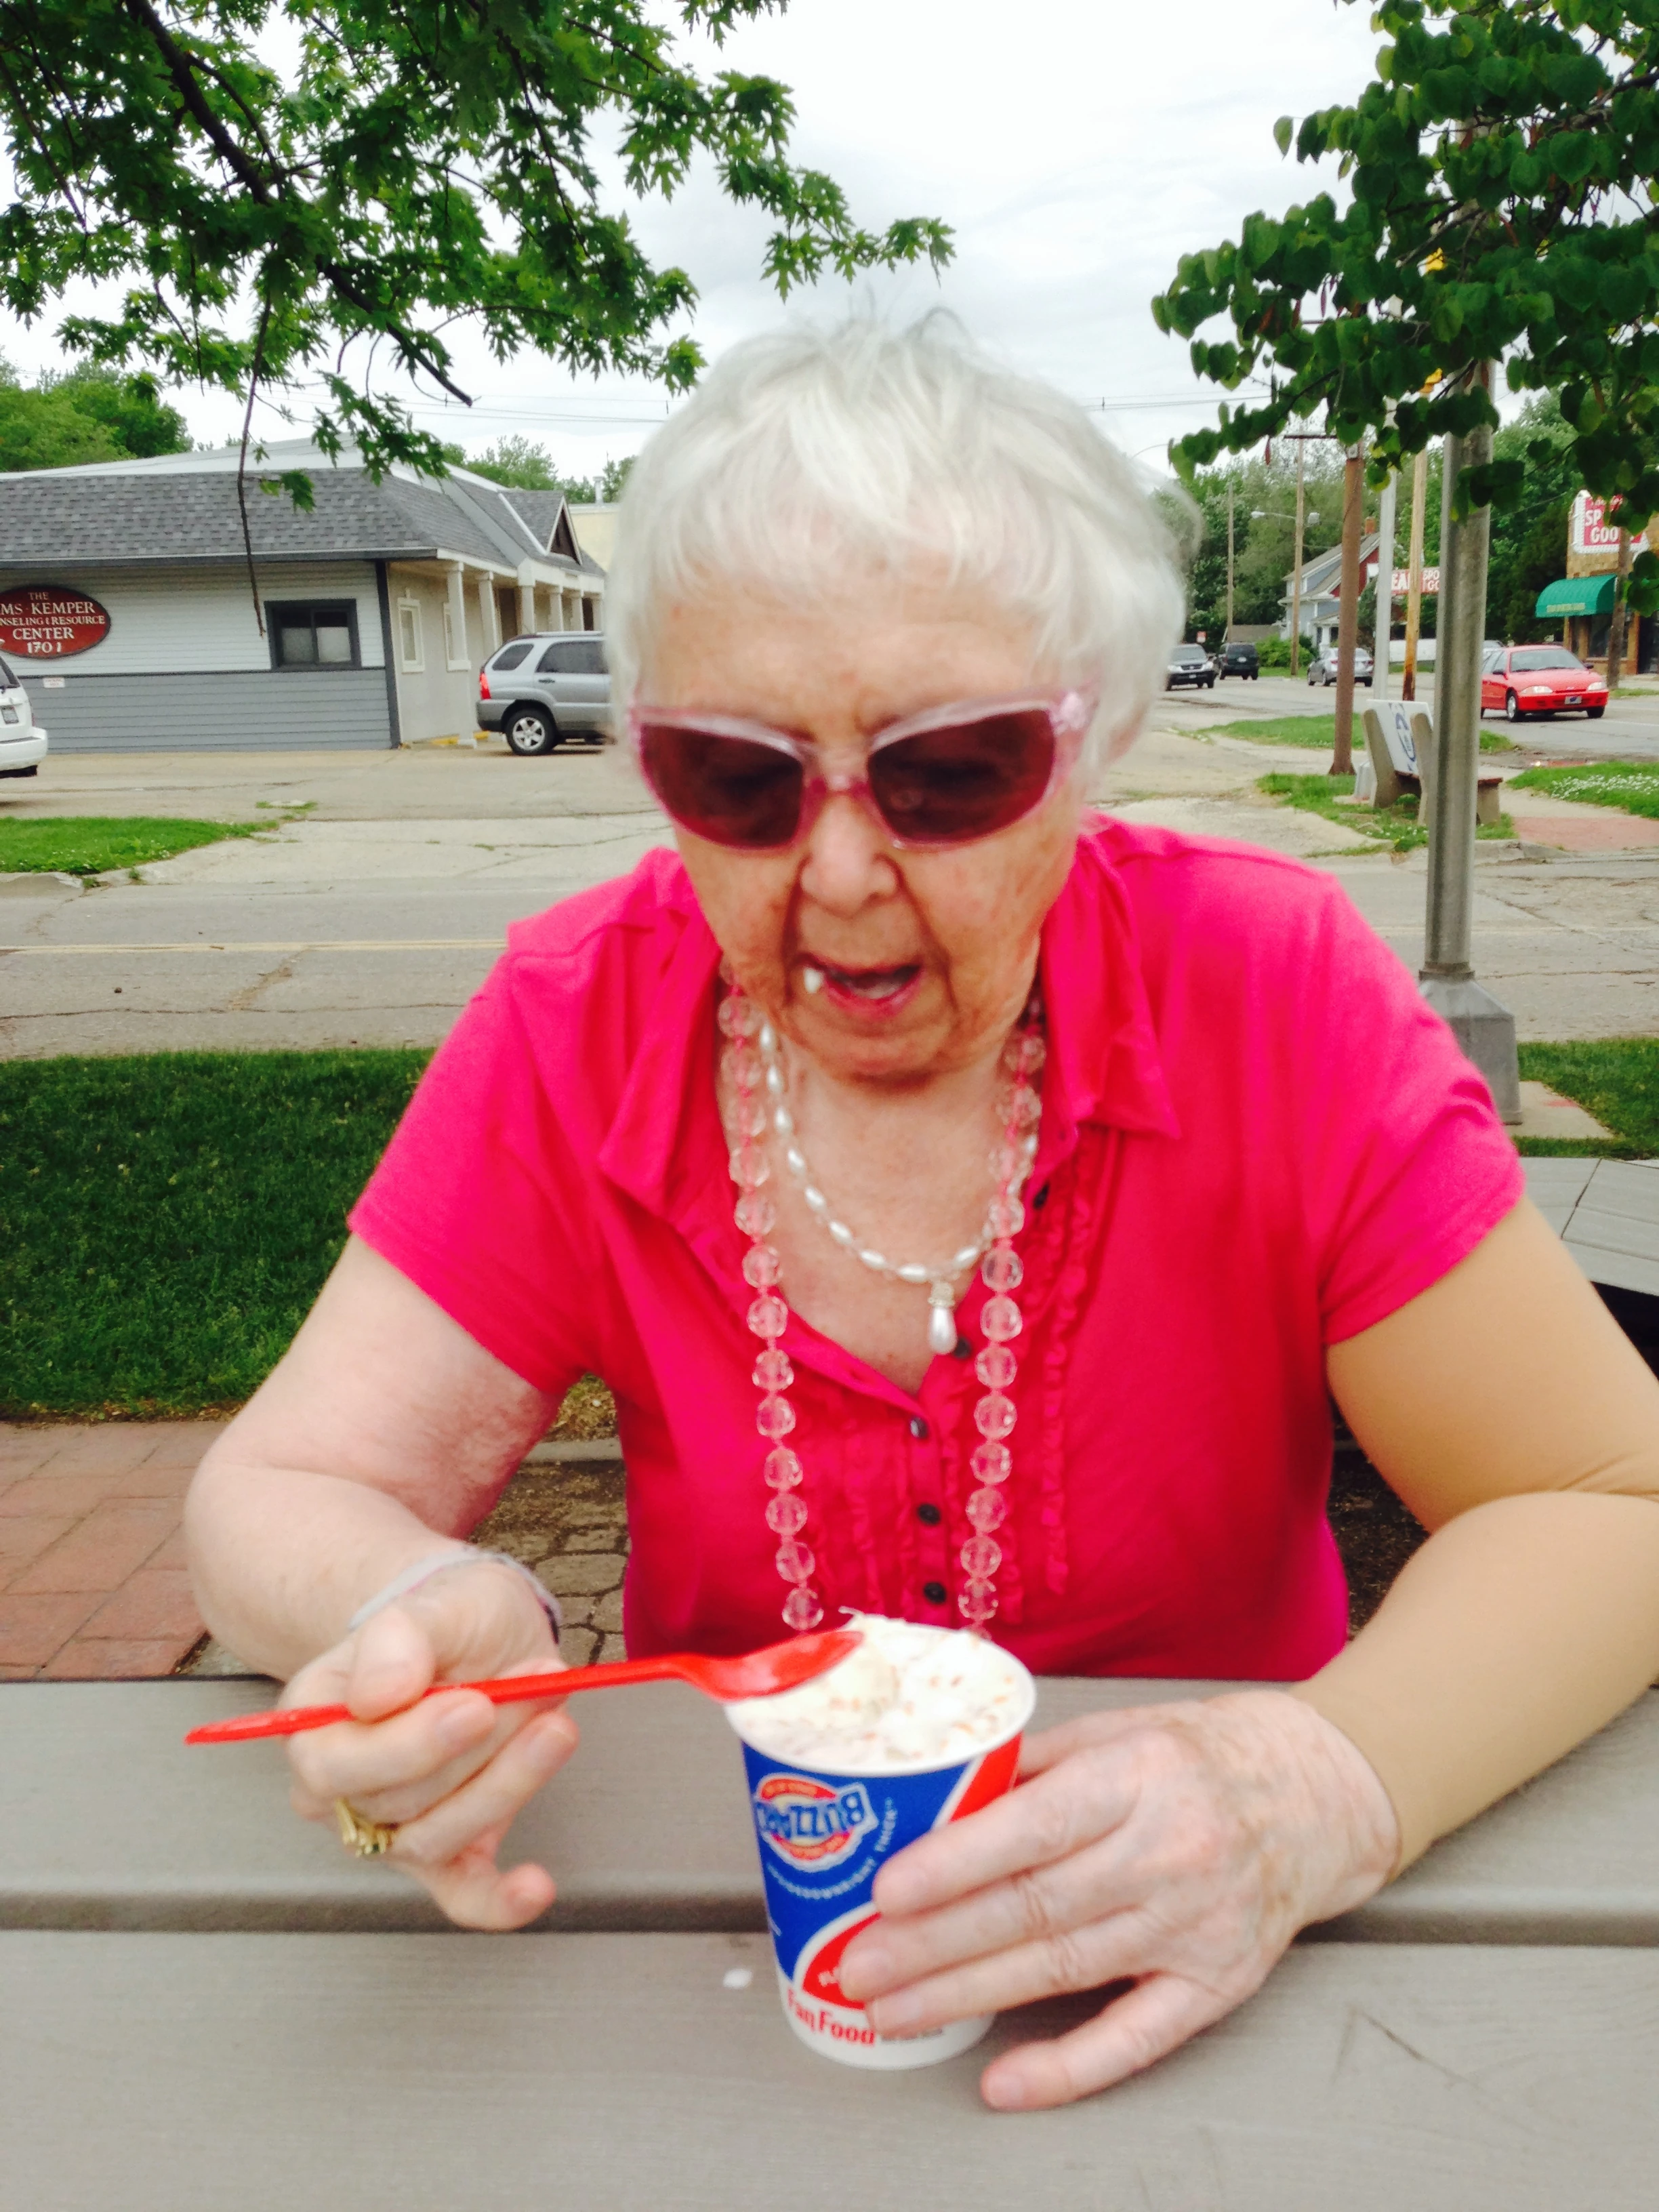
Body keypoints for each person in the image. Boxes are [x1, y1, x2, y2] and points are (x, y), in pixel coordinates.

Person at [186, 319, 1659, 2110]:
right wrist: (413, 1602)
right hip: (737, 1962)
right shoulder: (579, 1016)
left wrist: (1330, 1786)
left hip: (1250, 1965)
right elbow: (272, 1495)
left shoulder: (1274, 988)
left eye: (947, 772)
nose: (837, 872)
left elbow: (1603, 1498)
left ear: (1097, 736)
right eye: (734, 776)